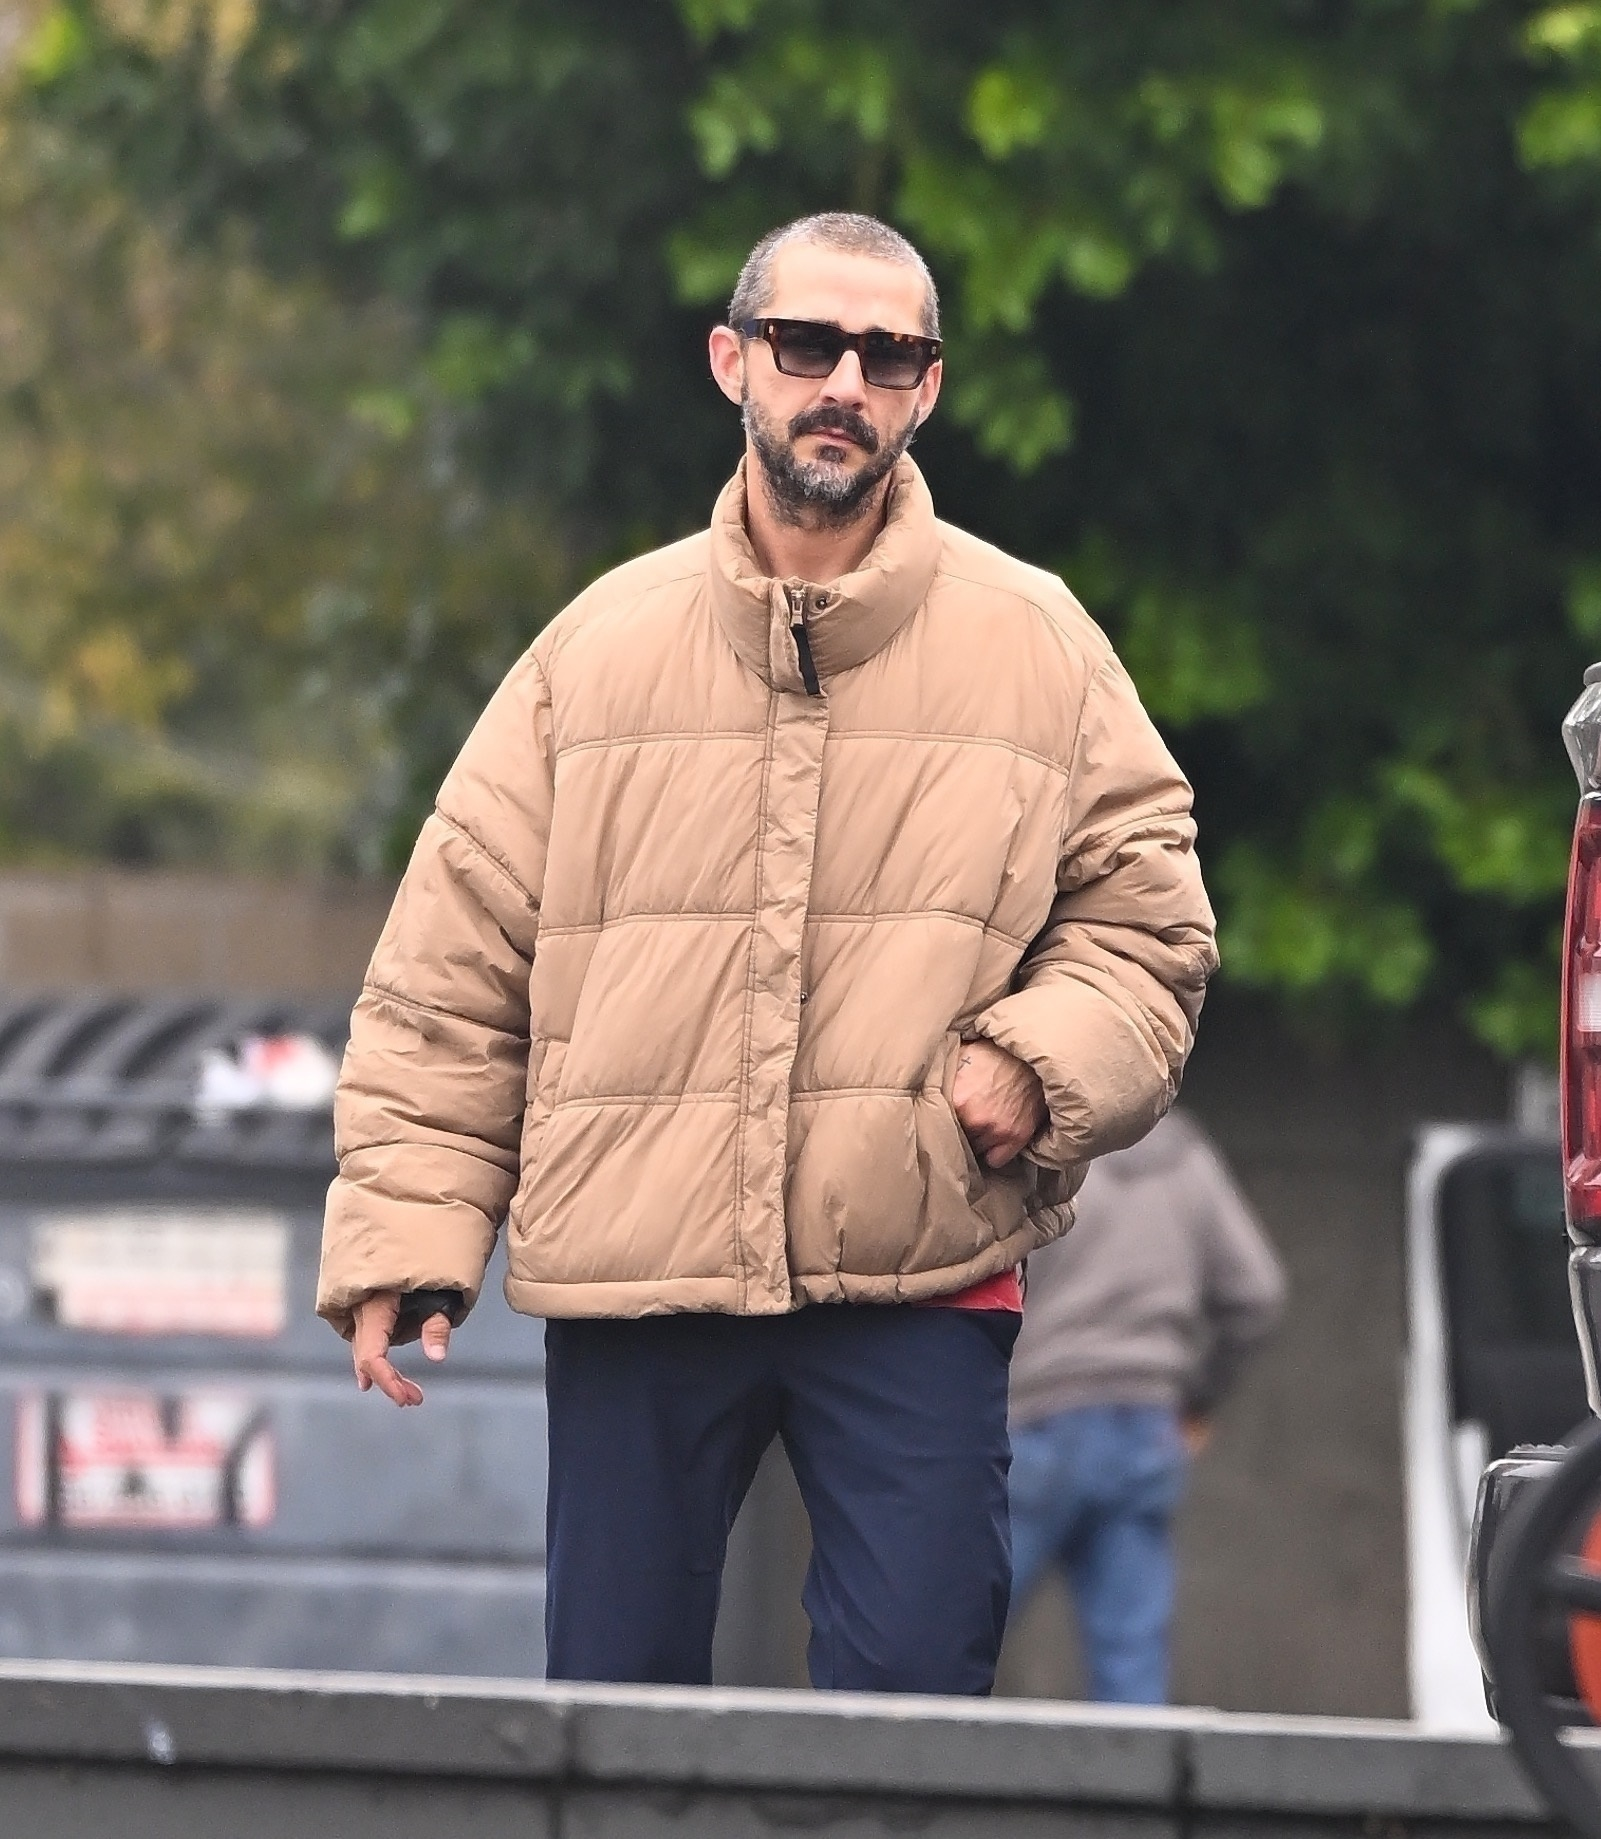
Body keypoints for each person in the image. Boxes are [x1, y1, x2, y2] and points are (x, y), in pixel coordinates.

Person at [315, 211, 1218, 1696]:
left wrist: (1032, 1061)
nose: (843, 383)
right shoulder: (593, 651)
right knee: (612, 1715)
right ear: (734, 360)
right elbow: (450, 962)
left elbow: (1150, 919)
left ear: (927, 389)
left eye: (889, 354)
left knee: (914, 1718)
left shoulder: (1039, 642)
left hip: (920, 1259)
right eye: (809, 344)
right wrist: (409, 1230)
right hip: (636, 1260)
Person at [1006, 1106, 1286, 1704]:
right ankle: (1134, 1795)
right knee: (1129, 1665)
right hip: (1146, 1428)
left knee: (950, 1635)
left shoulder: (1031, 1142)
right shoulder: (1184, 1156)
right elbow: (1257, 1294)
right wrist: (1196, 1403)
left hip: (1033, 1423)